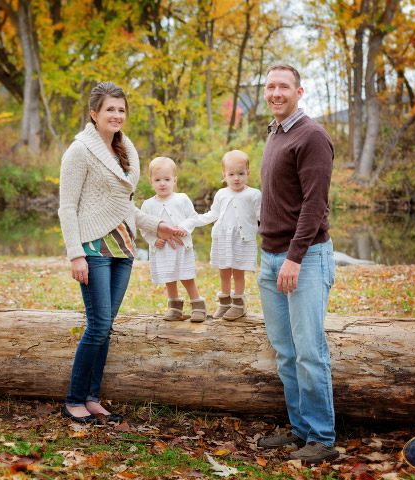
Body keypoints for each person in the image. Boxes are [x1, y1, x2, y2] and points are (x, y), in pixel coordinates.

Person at [58, 82, 181, 424]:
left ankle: (92, 397)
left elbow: (124, 207)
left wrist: (158, 227)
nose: (117, 115)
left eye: (121, 109)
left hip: (123, 249)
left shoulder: (126, 149)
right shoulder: (79, 151)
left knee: (106, 326)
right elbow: (67, 208)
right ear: (94, 114)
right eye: (110, 109)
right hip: (93, 248)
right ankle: (73, 399)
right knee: (97, 326)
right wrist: (75, 255)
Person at [255, 64, 338, 464]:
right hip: (270, 258)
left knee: (309, 352)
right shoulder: (274, 132)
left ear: (299, 91)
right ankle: (301, 431)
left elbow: (314, 204)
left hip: (302, 260)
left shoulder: (313, 136)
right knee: (286, 353)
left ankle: (322, 438)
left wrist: (293, 257)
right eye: (270, 86)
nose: (275, 92)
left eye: (283, 86)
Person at [192, 150, 261, 320]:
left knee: (238, 272)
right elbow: (213, 214)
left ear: (248, 173)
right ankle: (224, 303)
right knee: (224, 272)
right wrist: (193, 221)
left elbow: (261, 217)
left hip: (242, 239)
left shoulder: (253, 194)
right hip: (223, 238)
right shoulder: (221, 194)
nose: (236, 178)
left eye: (240, 174)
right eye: (231, 174)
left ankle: (238, 304)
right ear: (224, 175)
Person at [139, 157, 207, 322]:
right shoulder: (148, 205)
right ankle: (174, 308)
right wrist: (153, 240)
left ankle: (198, 306)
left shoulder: (181, 199)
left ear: (174, 180)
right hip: (162, 248)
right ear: (151, 181)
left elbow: (193, 217)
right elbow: (143, 226)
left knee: (186, 276)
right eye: (158, 180)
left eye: (167, 179)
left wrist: (184, 227)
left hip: (181, 246)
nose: (162, 183)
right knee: (168, 277)